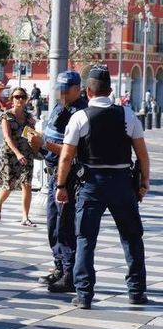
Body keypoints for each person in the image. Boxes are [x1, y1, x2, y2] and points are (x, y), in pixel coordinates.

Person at [56, 65, 150, 310]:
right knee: (132, 238)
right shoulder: (128, 115)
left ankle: (84, 294)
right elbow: (142, 155)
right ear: (110, 90)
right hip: (121, 182)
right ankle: (137, 291)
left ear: (88, 91)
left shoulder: (80, 117)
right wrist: (144, 183)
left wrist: (61, 185)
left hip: (91, 184)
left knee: (86, 238)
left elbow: (66, 157)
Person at [28, 71, 87, 293]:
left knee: (65, 225)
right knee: (53, 225)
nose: (61, 92)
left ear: (77, 88)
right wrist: (37, 141)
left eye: (66, 88)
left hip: (69, 175)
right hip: (52, 173)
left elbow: (74, 151)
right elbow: (51, 137)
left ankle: (69, 273)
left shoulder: (81, 112)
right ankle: (59, 266)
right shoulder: (58, 108)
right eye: (59, 88)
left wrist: (44, 143)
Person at [0, 87, 36, 227]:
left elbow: (31, 135)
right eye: (17, 97)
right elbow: (7, 137)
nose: (20, 99)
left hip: (26, 153)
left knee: (27, 184)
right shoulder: (6, 116)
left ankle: (25, 217)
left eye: (23, 97)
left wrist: (32, 127)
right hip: (10, 154)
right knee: (9, 185)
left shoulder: (28, 116)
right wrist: (17, 154)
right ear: (11, 99)